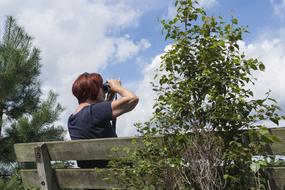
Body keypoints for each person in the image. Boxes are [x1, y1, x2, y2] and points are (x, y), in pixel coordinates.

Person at [68, 72, 139, 168]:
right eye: (101, 87)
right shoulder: (95, 111)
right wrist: (116, 87)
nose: (103, 91)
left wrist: (110, 96)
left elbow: (99, 118)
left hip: (91, 177)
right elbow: (132, 99)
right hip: (116, 174)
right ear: (94, 90)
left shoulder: (72, 119)